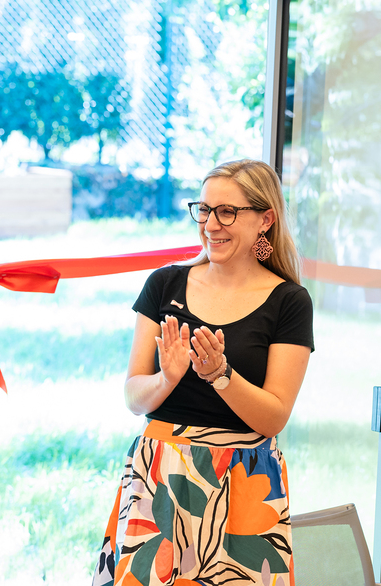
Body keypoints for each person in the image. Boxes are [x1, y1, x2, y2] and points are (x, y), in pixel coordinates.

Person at [91, 159, 314, 586]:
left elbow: (274, 417)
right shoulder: (164, 284)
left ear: (265, 220)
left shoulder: (289, 302)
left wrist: (221, 375)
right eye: (205, 209)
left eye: (227, 212)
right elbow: (133, 397)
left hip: (245, 483)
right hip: (159, 479)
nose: (211, 225)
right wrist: (166, 378)